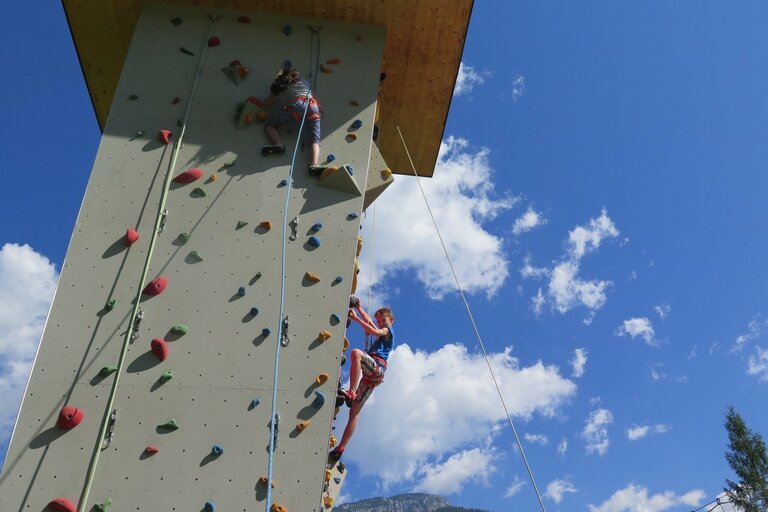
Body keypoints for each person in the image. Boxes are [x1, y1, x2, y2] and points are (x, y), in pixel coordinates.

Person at [329, 303, 395, 461]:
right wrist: (359, 309)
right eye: (379, 321)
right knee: (355, 412)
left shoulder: (387, 331)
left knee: (356, 354)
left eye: (383, 320)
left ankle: (351, 391)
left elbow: (372, 330)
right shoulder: (382, 333)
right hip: (371, 378)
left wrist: (355, 318)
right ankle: (341, 448)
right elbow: (370, 323)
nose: (380, 323)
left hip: (377, 368)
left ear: (391, 320)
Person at [259, 67, 325, 176]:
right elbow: (314, 95)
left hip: (298, 106)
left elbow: (268, 102)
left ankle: (278, 145)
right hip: (314, 107)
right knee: (315, 140)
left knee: (270, 125)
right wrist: (320, 109)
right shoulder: (305, 81)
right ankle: (314, 165)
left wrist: (261, 103)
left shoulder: (285, 87)